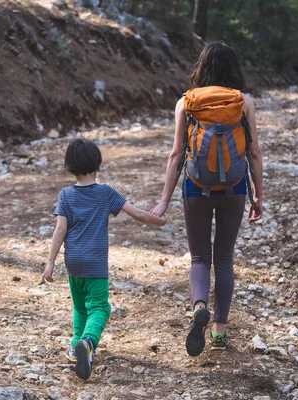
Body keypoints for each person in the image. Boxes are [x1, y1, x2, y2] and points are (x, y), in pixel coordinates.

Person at [151, 42, 264, 356]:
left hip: (195, 188)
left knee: (200, 258)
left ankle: (199, 305)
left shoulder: (186, 103)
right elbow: (253, 153)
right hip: (235, 188)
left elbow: (176, 155)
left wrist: (163, 201)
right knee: (224, 259)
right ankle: (219, 333)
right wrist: (258, 195)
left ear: (202, 68)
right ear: (234, 69)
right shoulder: (244, 102)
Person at [42, 138, 166, 380]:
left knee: (80, 307)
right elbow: (137, 214)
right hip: (95, 264)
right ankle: (88, 342)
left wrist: (50, 262)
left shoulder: (65, 195)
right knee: (100, 307)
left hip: (73, 262)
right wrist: (160, 220)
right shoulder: (106, 193)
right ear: (97, 164)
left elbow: (59, 230)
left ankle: (75, 345)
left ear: (70, 166)